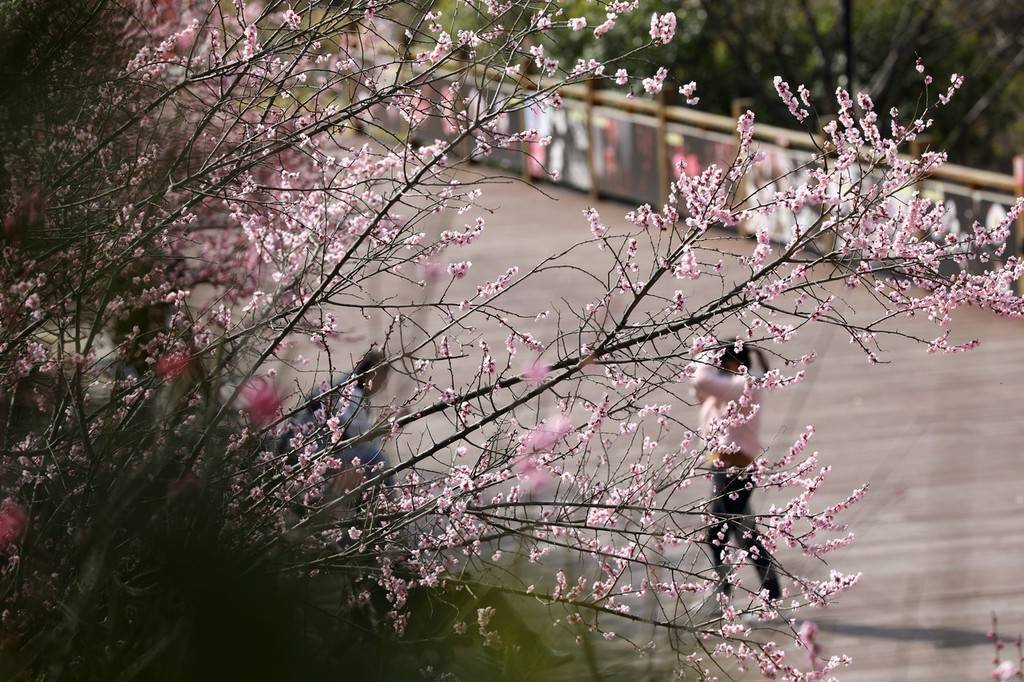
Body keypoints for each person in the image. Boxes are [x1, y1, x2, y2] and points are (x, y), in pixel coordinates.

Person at [692, 343, 781, 606]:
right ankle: (749, 594)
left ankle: (731, 595)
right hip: (722, 466)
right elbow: (703, 391)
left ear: (731, 363)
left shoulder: (745, 385)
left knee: (726, 533)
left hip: (736, 469)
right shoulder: (732, 388)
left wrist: (705, 353)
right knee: (740, 532)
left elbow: (701, 379)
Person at [277, 348, 394, 514]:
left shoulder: (344, 384)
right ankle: (386, 509)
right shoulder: (351, 394)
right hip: (308, 456)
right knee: (376, 458)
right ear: (371, 375)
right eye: (382, 379)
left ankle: (370, 506)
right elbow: (363, 438)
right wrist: (389, 424)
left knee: (369, 458)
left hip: (307, 451)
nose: (383, 385)